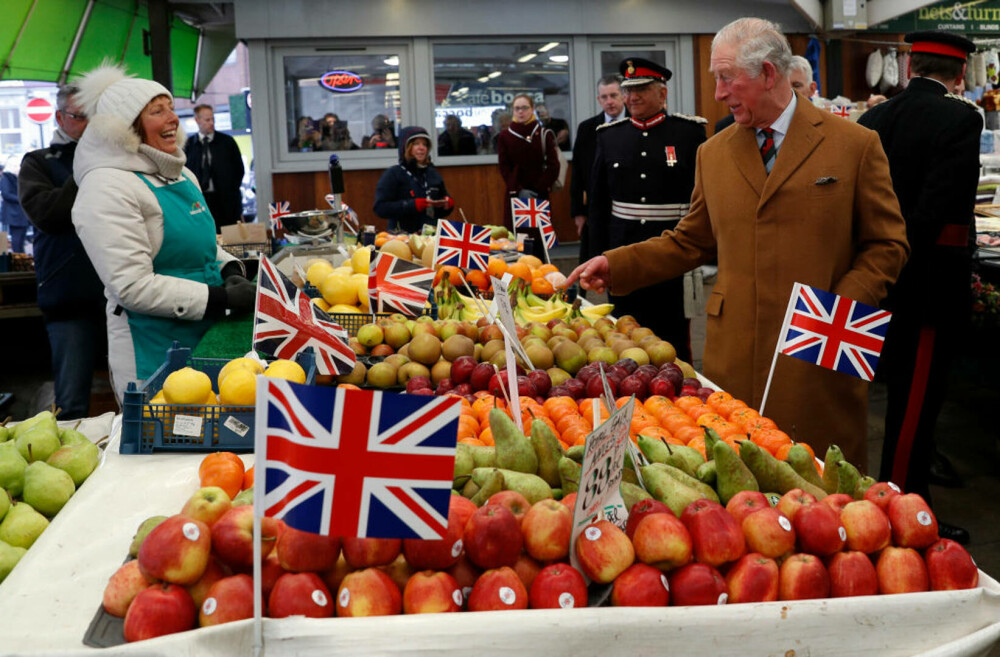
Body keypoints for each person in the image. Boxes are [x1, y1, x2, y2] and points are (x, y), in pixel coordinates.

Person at [566, 17, 909, 471]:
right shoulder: (714, 152)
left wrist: (838, 307)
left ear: (769, 74)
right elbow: (690, 240)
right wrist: (617, 263)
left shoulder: (854, 144)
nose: (719, 93)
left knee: (823, 485)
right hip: (734, 353)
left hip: (820, 346)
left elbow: (887, 244)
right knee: (739, 481)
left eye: (727, 78)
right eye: (716, 79)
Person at [858, 31, 980, 545]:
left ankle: (890, 501)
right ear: (958, 75)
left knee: (882, 397)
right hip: (929, 280)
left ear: (910, 68)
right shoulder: (961, 118)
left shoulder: (873, 119)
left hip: (879, 275)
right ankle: (904, 517)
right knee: (915, 406)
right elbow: (938, 205)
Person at [71, 64, 256, 401]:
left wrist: (229, 268)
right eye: (157, 111)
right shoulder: (106, 187)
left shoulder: (181, 175)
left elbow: (202, 245)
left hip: (207, 335)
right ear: (125, 128)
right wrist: (220, 299)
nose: (173, 118)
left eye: (171, 108)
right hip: (152, 346)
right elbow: (132, 286)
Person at [586, 58, 707, 362]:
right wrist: (595, 255)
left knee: (672, 335)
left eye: (641, 89)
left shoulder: (688, 134)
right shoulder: (609, 135)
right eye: (628, 90)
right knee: (623, 329)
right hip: (621, 249)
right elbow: (599, 204)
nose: (632, 97)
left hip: (671, 252)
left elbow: (702, 197)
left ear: (662, 94)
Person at [18, 85, 107, 420]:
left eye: (94, 117)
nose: (89, 125)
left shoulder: (112, 161)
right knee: (71, 406)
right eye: (80, 116)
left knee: (140, 395)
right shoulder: (38, 162)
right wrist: (87, 164)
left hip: (121, 295)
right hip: (69, 300)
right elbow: (49, 215)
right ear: (59, 118)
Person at [570, 75, 627, 269]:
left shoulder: (635, 123)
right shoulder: (587, 128)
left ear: (623, 96)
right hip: (595, 205)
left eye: (613, 95)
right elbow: (577, 170)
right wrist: (578, 210)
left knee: (624, 259)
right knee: (592, 259)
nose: (609, 101)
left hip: (627, 205)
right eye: (604, 97)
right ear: (598, 99)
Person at [373, 126, 455, 233]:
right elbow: (380, 208)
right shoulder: (393, 174)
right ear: (406, 147)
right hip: (401, 238)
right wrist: (412, 205)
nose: (421, 148)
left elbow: (441, 205)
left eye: (425, 144)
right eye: (416, 143)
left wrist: (447, 204)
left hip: (430, 238)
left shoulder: (432, 173)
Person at [496, 94, 559, 229]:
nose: (520, 111)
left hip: (539, 194)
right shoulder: (505, 136)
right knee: (517, 239)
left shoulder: (543, 134)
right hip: (515, 193)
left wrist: (538, 188)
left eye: (524, 108)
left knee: (539, 237)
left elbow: (553, 166)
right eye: (517, 108)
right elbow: (504, 167)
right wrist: (519, 190)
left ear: (532, 109)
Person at [184, 104, 245, 231]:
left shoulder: (227, 142)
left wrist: (231, 190)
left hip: (226, 201)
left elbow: (239, 170)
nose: (211, 123)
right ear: (197, 120)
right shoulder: (188, 145)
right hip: (200, 201)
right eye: (207, 120)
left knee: (229, 238)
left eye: (213, 119)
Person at [1, 154, 29, 253]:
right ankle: (18, 258)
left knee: (21, 238)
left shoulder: (15, 177)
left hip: (20, 213)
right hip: (14, 214)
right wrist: (22, 199)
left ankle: (21, 257)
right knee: (17, 238)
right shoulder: (6, 178)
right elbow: (6, 194)